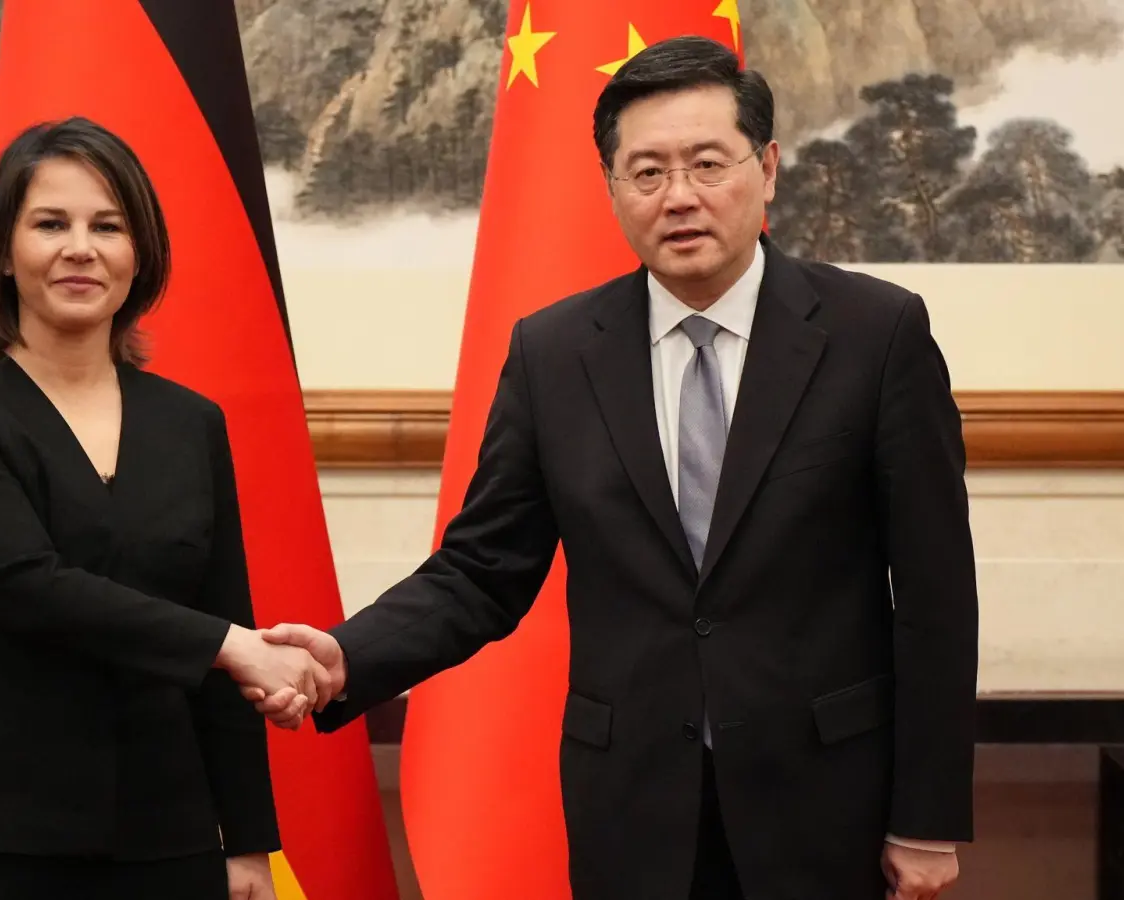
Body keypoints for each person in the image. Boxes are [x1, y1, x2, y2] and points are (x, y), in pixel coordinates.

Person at [252, 36, 979, 900]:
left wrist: (927, 815)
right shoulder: (556, 353)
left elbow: (935, 595)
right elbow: (482, 570)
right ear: (610, 188)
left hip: (825, 803)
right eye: (646, 172)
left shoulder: (876, 335)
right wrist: (344, 654)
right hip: (634, 808)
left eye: (708, 163)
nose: (679, 197)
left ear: (769, 168)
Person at [0, 116, 325, 900]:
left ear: (140, 254)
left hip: (168, 841)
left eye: (108, 226)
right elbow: (27, 584)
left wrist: (250, 841)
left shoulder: (191, 422)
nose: (81, 248)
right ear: (1, 252)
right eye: (50, 224)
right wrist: (230, 644)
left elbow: (223, 610)